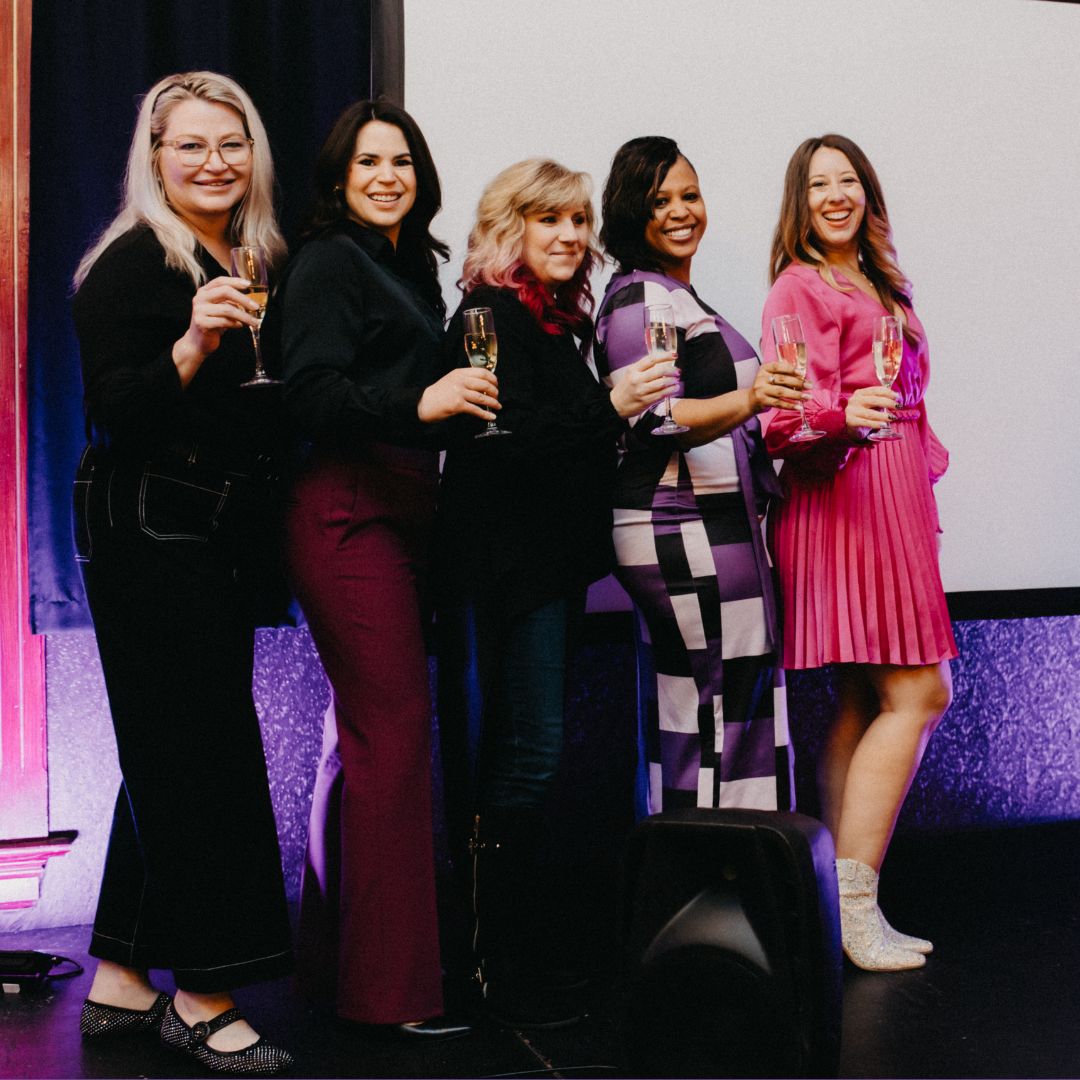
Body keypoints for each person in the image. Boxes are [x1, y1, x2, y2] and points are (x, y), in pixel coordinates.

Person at [71, 72, 294, 1075]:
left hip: (207, 531)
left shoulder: (247, 256)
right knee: (204, 759)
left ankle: (122, 976)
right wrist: (197, 340)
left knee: (173, 750)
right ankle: (203, 997)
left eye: (231, 144)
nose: (214, 162)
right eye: (192, 144)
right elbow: (117, 411)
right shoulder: (132, 264)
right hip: (147, 529)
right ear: (155, 156)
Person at [270, 100, 495, 1039]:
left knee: (365, 740)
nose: (387, 176)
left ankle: (335, 967)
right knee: (392, 737)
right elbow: (309, 395)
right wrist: (424, 403)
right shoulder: (330, 261)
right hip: (347, 506)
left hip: (402, 506)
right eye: (367, 162)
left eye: (401, 161)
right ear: (338, 177)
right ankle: (391, 996)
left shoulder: (409, 267)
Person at [435, 158, 670, 1028]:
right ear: (512, 229)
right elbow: (507, 439)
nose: (571, 235)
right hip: (512, 572)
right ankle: (496, 967)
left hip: (545, 568)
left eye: (578, 220)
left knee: (528, 754)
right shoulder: (487, 316)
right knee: (523, 756)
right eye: (549, 220)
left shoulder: (553, 320)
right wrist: (611, 403)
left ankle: (509, 957)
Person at [762, 134, 955, 971]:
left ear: (868, 193)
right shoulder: (798, 286)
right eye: (819, 184)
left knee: (861, 697)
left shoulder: (878, 279)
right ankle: (853, 908)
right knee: (921, 691)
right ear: (799, 203)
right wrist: (845, 416)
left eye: (848, 181)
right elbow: (783, 422)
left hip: (892, 493)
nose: (835, 195)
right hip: (849, 497)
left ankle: (830, 908)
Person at [594, 137, 805, 821]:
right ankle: (719, 870)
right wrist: (751, 398)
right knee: (719, 713)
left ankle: (719, 865)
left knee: (709, 711)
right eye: (660, 201)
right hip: (684, 528)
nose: (681, 211)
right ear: (632, 212)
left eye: (690, 195)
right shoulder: (642, 297)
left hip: (710, 527)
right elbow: (654, 419)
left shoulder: (675, 295)